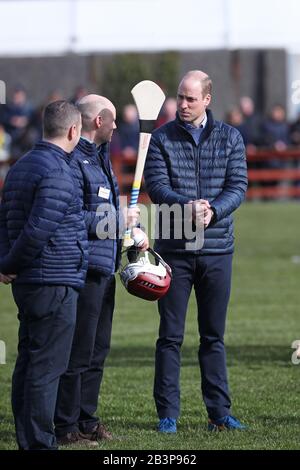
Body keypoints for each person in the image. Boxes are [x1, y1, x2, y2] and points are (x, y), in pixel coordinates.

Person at [144, 70, 248, 433]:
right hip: (173, 251)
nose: (182, 104)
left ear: (207, 99)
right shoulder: (160, 138)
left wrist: (214, 210)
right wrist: (186, 205)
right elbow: (156, 186)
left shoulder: (231, 137)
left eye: (190, 98)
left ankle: (219, 413)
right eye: (179, 97)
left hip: (218, 249)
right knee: (170, 336)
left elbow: (238, 185)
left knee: (213, 336)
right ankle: (167, 415)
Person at [54, 94, 149, 446]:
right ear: (99, 122)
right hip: (84, 269)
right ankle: (65, 426)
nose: (116, 127)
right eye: (112, 121)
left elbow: (103, 211)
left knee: (98, 350)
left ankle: (87, 419)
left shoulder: (100, 157)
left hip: (105, 266)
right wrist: (114, 218)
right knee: (78, 352)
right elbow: (70, 216)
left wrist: (129, 232)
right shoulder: (72, 161)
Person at [0, 100, 88, 450]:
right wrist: (10, 263)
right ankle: (38, 443)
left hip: (31, 282)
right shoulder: (58, 171)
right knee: (46, 369)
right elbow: (38, 231)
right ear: (72, 131)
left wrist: (6, 261)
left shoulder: (21, 165)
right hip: (51, 280)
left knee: (30, 362)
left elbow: (4, 219)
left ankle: (29, 439)